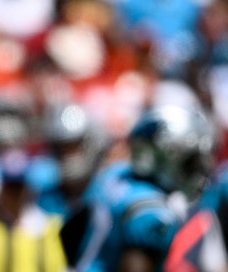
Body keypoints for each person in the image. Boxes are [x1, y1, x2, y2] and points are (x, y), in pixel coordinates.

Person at [61, 105, 216, 271]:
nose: (196, 170)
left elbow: (69, 233)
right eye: (190, 161)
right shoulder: (153, 214)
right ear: (167, 156)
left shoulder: (115, 175)